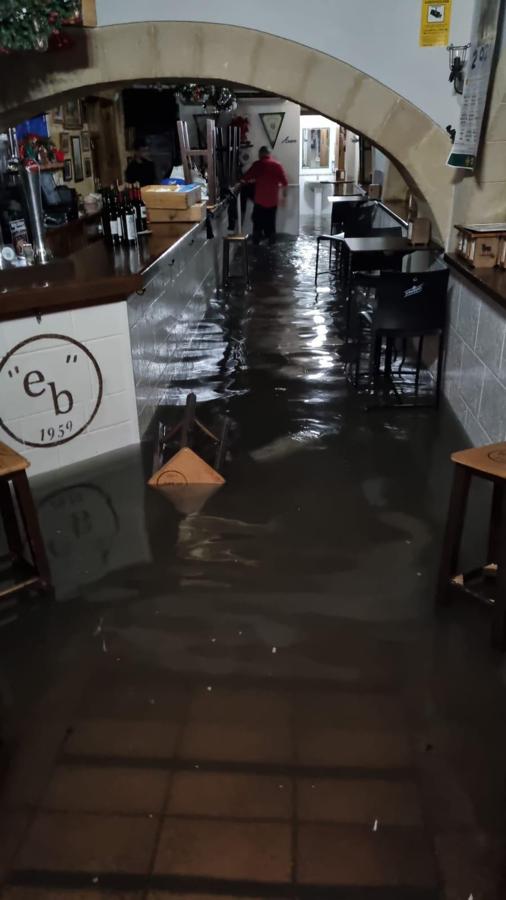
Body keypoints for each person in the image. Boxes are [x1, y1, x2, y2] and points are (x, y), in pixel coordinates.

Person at [242, 146, 288, 244]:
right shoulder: (277, 166)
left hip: (260, 202)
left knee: (257, 225)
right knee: (271, 226)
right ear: (269, 154)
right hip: (272, 202)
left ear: (260, 154)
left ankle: (256, 248)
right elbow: (285, 183)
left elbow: (245, 178)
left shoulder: (257, 165)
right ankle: (272, 249)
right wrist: (284, 197)